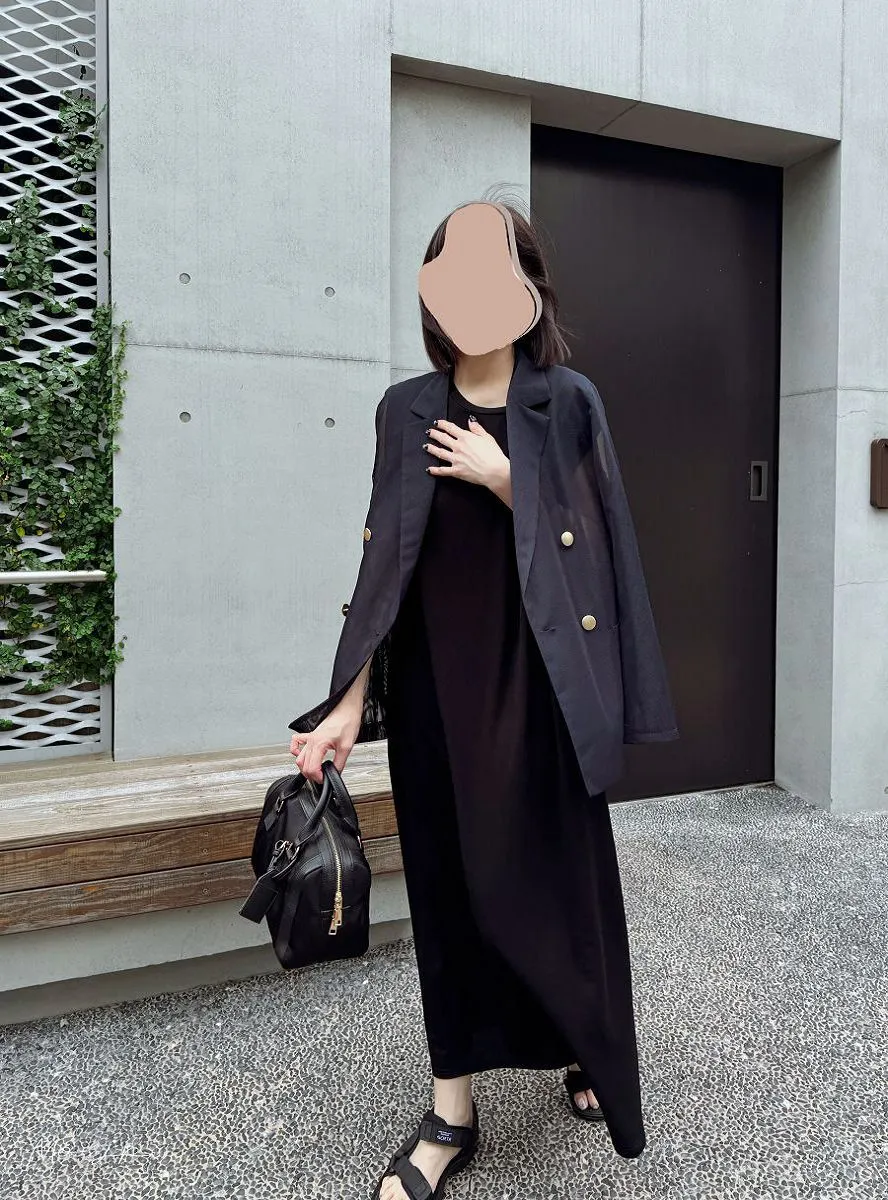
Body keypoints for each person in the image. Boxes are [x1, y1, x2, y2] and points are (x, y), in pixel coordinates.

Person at [289, 200, 678, 1200]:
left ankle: (584, 1046)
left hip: (544, 696)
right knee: (451, 900)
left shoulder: (570, 402)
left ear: (528, 288)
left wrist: (511, 481)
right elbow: (384, 569)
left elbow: (604, 552)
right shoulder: (404, 411)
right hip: (436, 703)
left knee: (560, 892)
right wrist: (345, 705)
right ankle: (451, 1114)